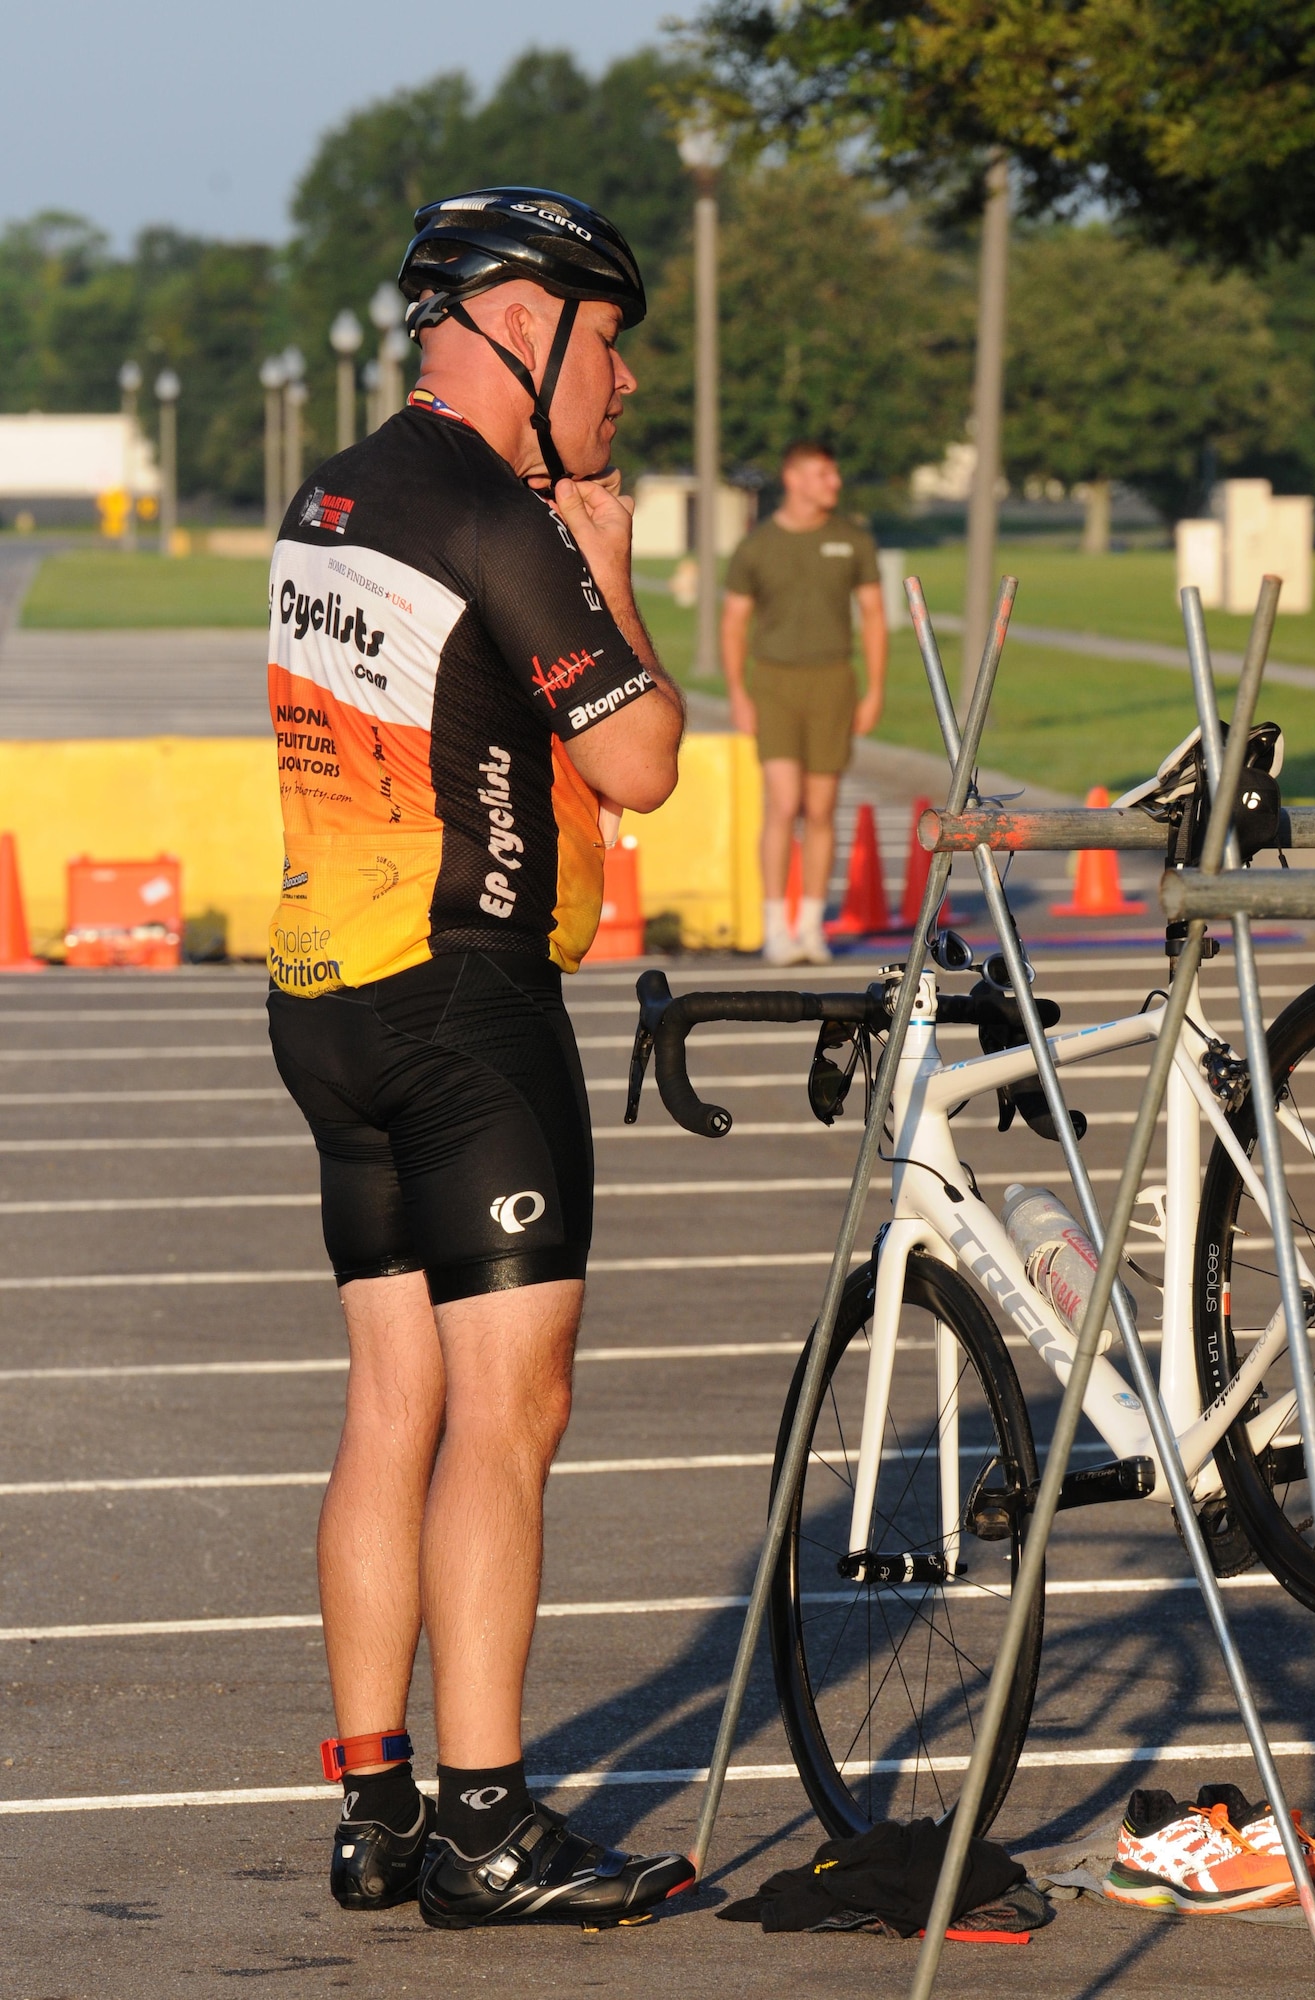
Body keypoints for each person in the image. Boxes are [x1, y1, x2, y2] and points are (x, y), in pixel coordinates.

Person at [264, 186, 690, 1929]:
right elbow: (645, 758)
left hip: (326, 997)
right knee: (507, 1419)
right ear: (526, 328)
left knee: (391, 1403)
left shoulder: (337, 489)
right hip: (462, 1005)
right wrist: (610, 561)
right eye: (612, 346)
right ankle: (492, 1824)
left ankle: (376, 1799)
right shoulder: (488, 512)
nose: (625, 389)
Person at [721, 442, 887, 965]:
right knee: (784, 803)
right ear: (793, 478)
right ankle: (776, 927)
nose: (833, 484)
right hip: (774, 683)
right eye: (822, 474)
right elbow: (733, 624)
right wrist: (739, 694)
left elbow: (875, 617)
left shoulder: (852, 540)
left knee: (820, 808)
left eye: (834, 475)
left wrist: (874, 688)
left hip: (833, 682)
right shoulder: (757, 547)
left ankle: (811, 926)